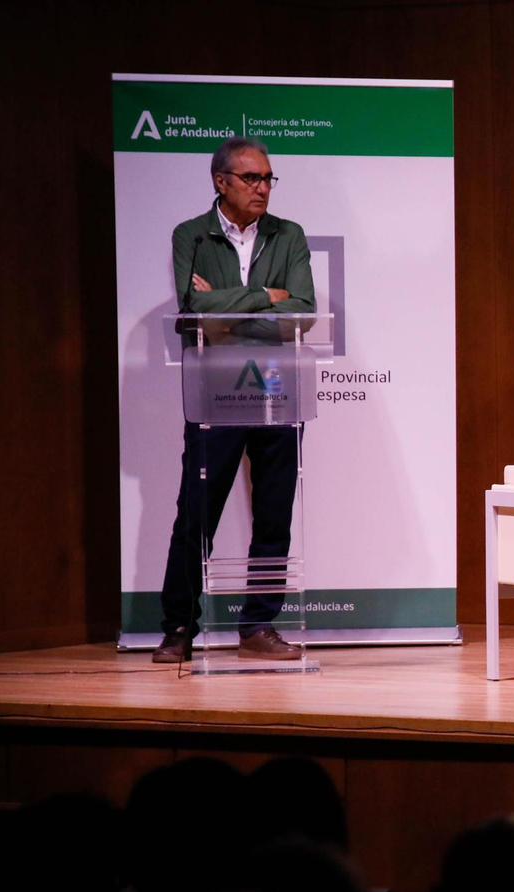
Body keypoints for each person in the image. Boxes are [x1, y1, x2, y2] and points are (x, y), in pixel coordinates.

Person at [153, 137, 315, 663]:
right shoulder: (192, 236)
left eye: (268, 178)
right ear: (221, 182)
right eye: (252, 178)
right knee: (195, 512)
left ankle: (258, 627)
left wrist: (229, 311)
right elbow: (192, 305)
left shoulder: (288, 236)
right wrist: (267, 296)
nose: (263, 188)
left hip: (277, 389)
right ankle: (179, 626)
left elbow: (305, 309)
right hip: (214, 391)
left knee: (274, 514)